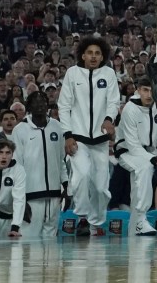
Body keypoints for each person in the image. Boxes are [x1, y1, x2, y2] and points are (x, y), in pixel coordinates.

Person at [58, 37, 119, 237]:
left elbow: (114, 101)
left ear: (103, 57)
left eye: (98, 53)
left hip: (100, 140)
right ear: (82, 55)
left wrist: (109, 119)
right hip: (78, 137)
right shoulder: (72, 73)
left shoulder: (108, 74)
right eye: (90, 53)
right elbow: (64, 106)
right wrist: (67, 135)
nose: (93, 57)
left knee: (101, 188)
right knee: (82, 175)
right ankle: (82, 217)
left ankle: (96, 223)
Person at [113, 77, 157, 236]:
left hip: (151, 152)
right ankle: (141, 218)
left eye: (153, 91)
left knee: (139, 183)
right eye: (145, 90)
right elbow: (132, 144)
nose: (149, 95)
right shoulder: (130, 109)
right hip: (126, 151)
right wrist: (155, 160)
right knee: (145, 168)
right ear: (138, 90)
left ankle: (135, 226)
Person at [11, 91, 66, 238]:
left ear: (47, 104)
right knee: (29, 238)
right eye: (35, 101)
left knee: (51, 241)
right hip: (31, 195)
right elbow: (16, 165)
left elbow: (61, 159)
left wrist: (66, 185)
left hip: (55, 194)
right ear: (29, 106)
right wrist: (20, 198)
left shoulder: (57, 126)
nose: (39, 104)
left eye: (42, 101)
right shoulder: (20, 130)